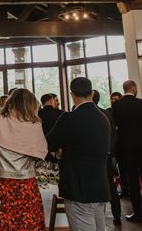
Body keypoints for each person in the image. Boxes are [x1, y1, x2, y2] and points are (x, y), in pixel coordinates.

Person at [0, 88, 48, 231]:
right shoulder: (35, 125)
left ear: (10, 102)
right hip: (26, 185)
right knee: (28, 225)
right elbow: (39, 158)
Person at [47, 78, 110, 231]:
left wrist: (60, 151)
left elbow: (50, 143)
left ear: (72, 94)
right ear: (92, 93)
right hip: (100, 186)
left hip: (78, 187)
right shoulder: (103, 118)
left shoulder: (70, 118)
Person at [112, 79, 142, 223]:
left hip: (126, 147)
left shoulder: (116, 106)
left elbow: (117, 126)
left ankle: (138, 214)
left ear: (124, 89)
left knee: (133, 181)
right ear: (134, 89)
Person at [93, 90, 121, 226]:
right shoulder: (107, 113)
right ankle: (116, 217)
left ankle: (98, 219)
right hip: (107, 155)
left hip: (94, 158)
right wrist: (110, 151)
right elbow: (114, 135)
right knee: (110, 187)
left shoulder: (92, 113)